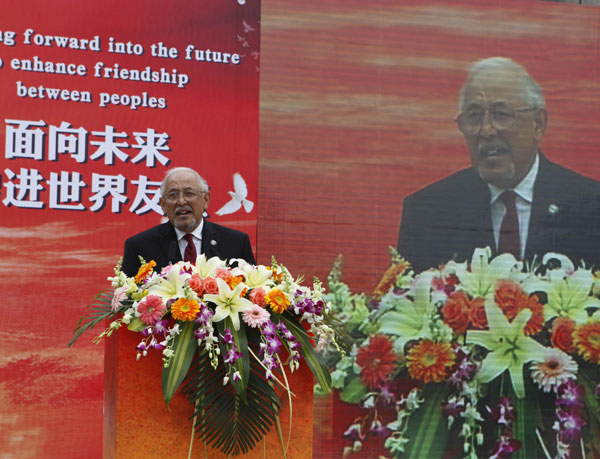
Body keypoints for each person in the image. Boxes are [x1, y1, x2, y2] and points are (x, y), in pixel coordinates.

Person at [397, 57, 600, 273]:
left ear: (538, 124)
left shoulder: (590, 207)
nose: (486, 131)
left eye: (501, 115)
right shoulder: (428, 212)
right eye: (474, 117)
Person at [122, 167, 256, 276]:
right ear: (163, 204)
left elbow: (250, 296)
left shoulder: (236, 243)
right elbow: (127, 300)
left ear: (206, 199)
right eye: (173, 195)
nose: (181, 201)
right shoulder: (139, 246)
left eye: (189, 193)